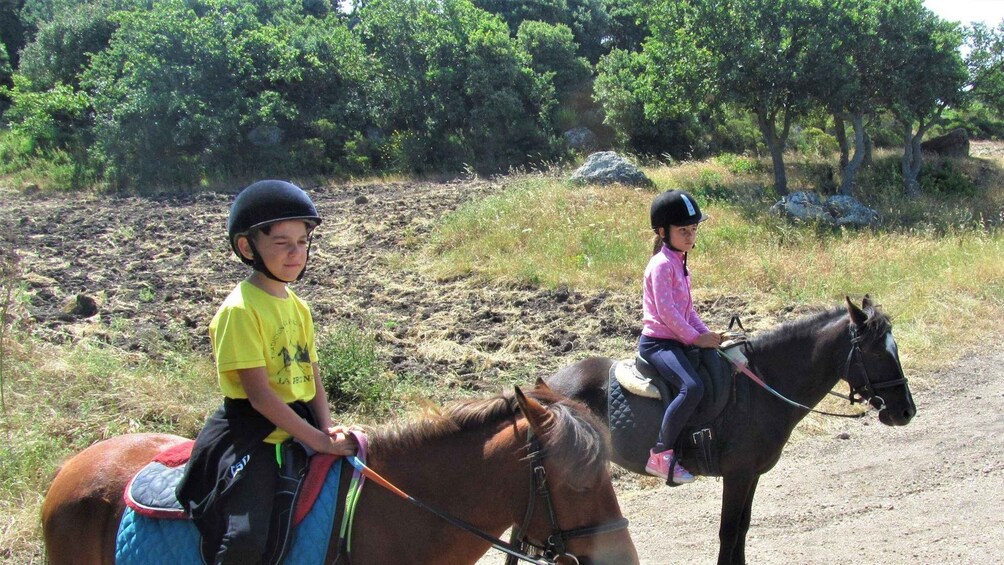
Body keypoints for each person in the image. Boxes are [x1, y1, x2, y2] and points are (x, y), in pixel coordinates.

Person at [176, 179, 357, 564]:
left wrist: (327, 428)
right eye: (282, 243)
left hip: (300, 424)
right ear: (247, 247)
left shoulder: (299, 308)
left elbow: (313, 378)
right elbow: (259, 397)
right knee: (245, 538)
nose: (296, 253)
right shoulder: (240, 310)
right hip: (253, 435)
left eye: (303, 242)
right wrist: (316, 440)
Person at [640, 189, 722, 485]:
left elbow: (688, 312)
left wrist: (707, 334)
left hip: (677, 338)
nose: (690, 236)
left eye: (694, 229)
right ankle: (660, 454)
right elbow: (667, 313)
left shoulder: (679, 262)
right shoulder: (661, 265)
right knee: (692, 386)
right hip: (658, 343)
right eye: (683, 230)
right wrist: (694, 339)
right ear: (663, 232)